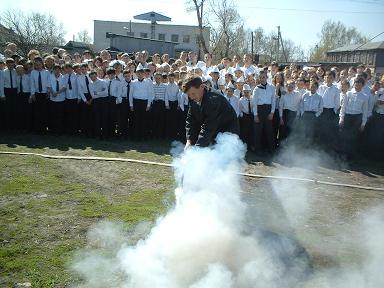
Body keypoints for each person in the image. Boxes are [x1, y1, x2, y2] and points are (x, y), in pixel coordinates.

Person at [183, 76, 239, 148]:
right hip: (212, 130)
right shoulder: (192, 96)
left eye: (193, 94)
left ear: (202, 87)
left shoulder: (213, 100)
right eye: (188, 95)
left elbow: (208, 128)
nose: (191, 97)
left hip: (226, 131)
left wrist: (197, 149)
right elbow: (191, 119)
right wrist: (189, 141)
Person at [339, 77, 369, 158]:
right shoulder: (348, 94)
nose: (357, 86)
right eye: (356, 85)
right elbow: (343, 107)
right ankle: (343, 156)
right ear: (354, 84)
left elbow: (365, 111)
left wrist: (363, 123)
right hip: (348, 116)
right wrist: (341, 118)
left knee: (354, 138)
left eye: (359, 85)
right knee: (345, 136)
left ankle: (351, 157)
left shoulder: (365, 96)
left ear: (362, 86)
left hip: (357, 118)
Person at [252, 70, 276, 154]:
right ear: (259, 78)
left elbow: (273, 100)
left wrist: (272, 112)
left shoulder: (272, 87)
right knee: (257, 131)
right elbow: (254, 103)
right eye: (261, 77)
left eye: (264, 77)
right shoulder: (256, 88)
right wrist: (255, 115)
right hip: (259, 110)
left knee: (269, 131)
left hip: (268, 110)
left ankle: (271, 149)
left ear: (267, 77)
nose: (262, 79)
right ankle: (257, 149)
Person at [129, 64, 153, 140]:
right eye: (138, 73)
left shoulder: (148, 82)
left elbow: (150, 94)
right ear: (136, 74)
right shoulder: (133, 82)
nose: (140, 74)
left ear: (144, 74)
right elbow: (130, 94)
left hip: (144, 103)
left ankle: (143, 136)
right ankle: (135, 136)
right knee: (136, 119)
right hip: (136, 102)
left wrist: (148, 104)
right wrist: (131, 104)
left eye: (141, 73)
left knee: (144, 120)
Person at [317, 70, 340, 150]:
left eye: (331, 78)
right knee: (320, 129)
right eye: (327, 77)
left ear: (333, 79)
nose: (329, 79)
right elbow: (318, 99)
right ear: (324, 78)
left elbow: (337, 103)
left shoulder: (336, 90)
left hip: (330, 112)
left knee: (329, 130)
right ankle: (319, 147)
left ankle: (328, 148)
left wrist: (333, 111)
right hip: (321, 111)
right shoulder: (320, 87)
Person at [299, 81, 323, 146]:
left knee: (312, 132)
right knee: (304, 131)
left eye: (314, 87)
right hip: (305, 115)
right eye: (311, 86)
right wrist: (302, 113)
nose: (312, 88)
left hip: (313, 116)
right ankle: (303, 146)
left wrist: (315, 116)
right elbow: (301, 106)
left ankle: (310, 147)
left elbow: (321, 109)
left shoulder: (319, 97)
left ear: (317, 88)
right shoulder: (305, 95)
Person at [30, 56, 51, 133]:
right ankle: (37, 128)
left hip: (45, 94)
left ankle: (43, 128)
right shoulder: (33, 72)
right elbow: (32, 84)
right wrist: (32, 94)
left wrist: (48, 92)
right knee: (37, 112)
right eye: (36, 64)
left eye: (39, 64)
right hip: (37, 94)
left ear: (42, 64)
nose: (37, 66)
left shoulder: (46, 72)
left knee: (44, 112)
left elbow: (49, 83)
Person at [48, 65, 67, 134]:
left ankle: (60, 130)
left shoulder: (63, 77)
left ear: (60, 70)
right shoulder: (50, 76)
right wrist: (53, 93)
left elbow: (64, 87)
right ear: (53, 70)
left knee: (60, 115)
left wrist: (57, 93)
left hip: (61, 99)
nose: (57, 71)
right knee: (53, 115)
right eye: (55, 69)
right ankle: (53, 130)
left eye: (58, 69)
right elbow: (49, 86)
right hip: (52, 99)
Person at [152, 72, 167, 138]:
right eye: (156, 78)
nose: (157, 79)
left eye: (159, 78)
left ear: (161, 79)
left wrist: (166, 104)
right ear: (154, 78)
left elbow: (166, 96)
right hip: (155, 103)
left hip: (161, 104)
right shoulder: (152, 85)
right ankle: (154, 134)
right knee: (154, 119)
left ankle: (160, 134)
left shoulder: (164, 86)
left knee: (161, 119)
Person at [239, 84, 253, 149]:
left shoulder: (253, 98)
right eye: (245, 92)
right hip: (245, 116)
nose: (246, 93)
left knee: (252, 130)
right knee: (245, 131)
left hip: (252, 116)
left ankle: (251, 144)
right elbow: (240, 108)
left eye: (247, 92)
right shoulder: (241, 100)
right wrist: (242, 115)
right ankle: (245, 145)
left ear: (250, 92)